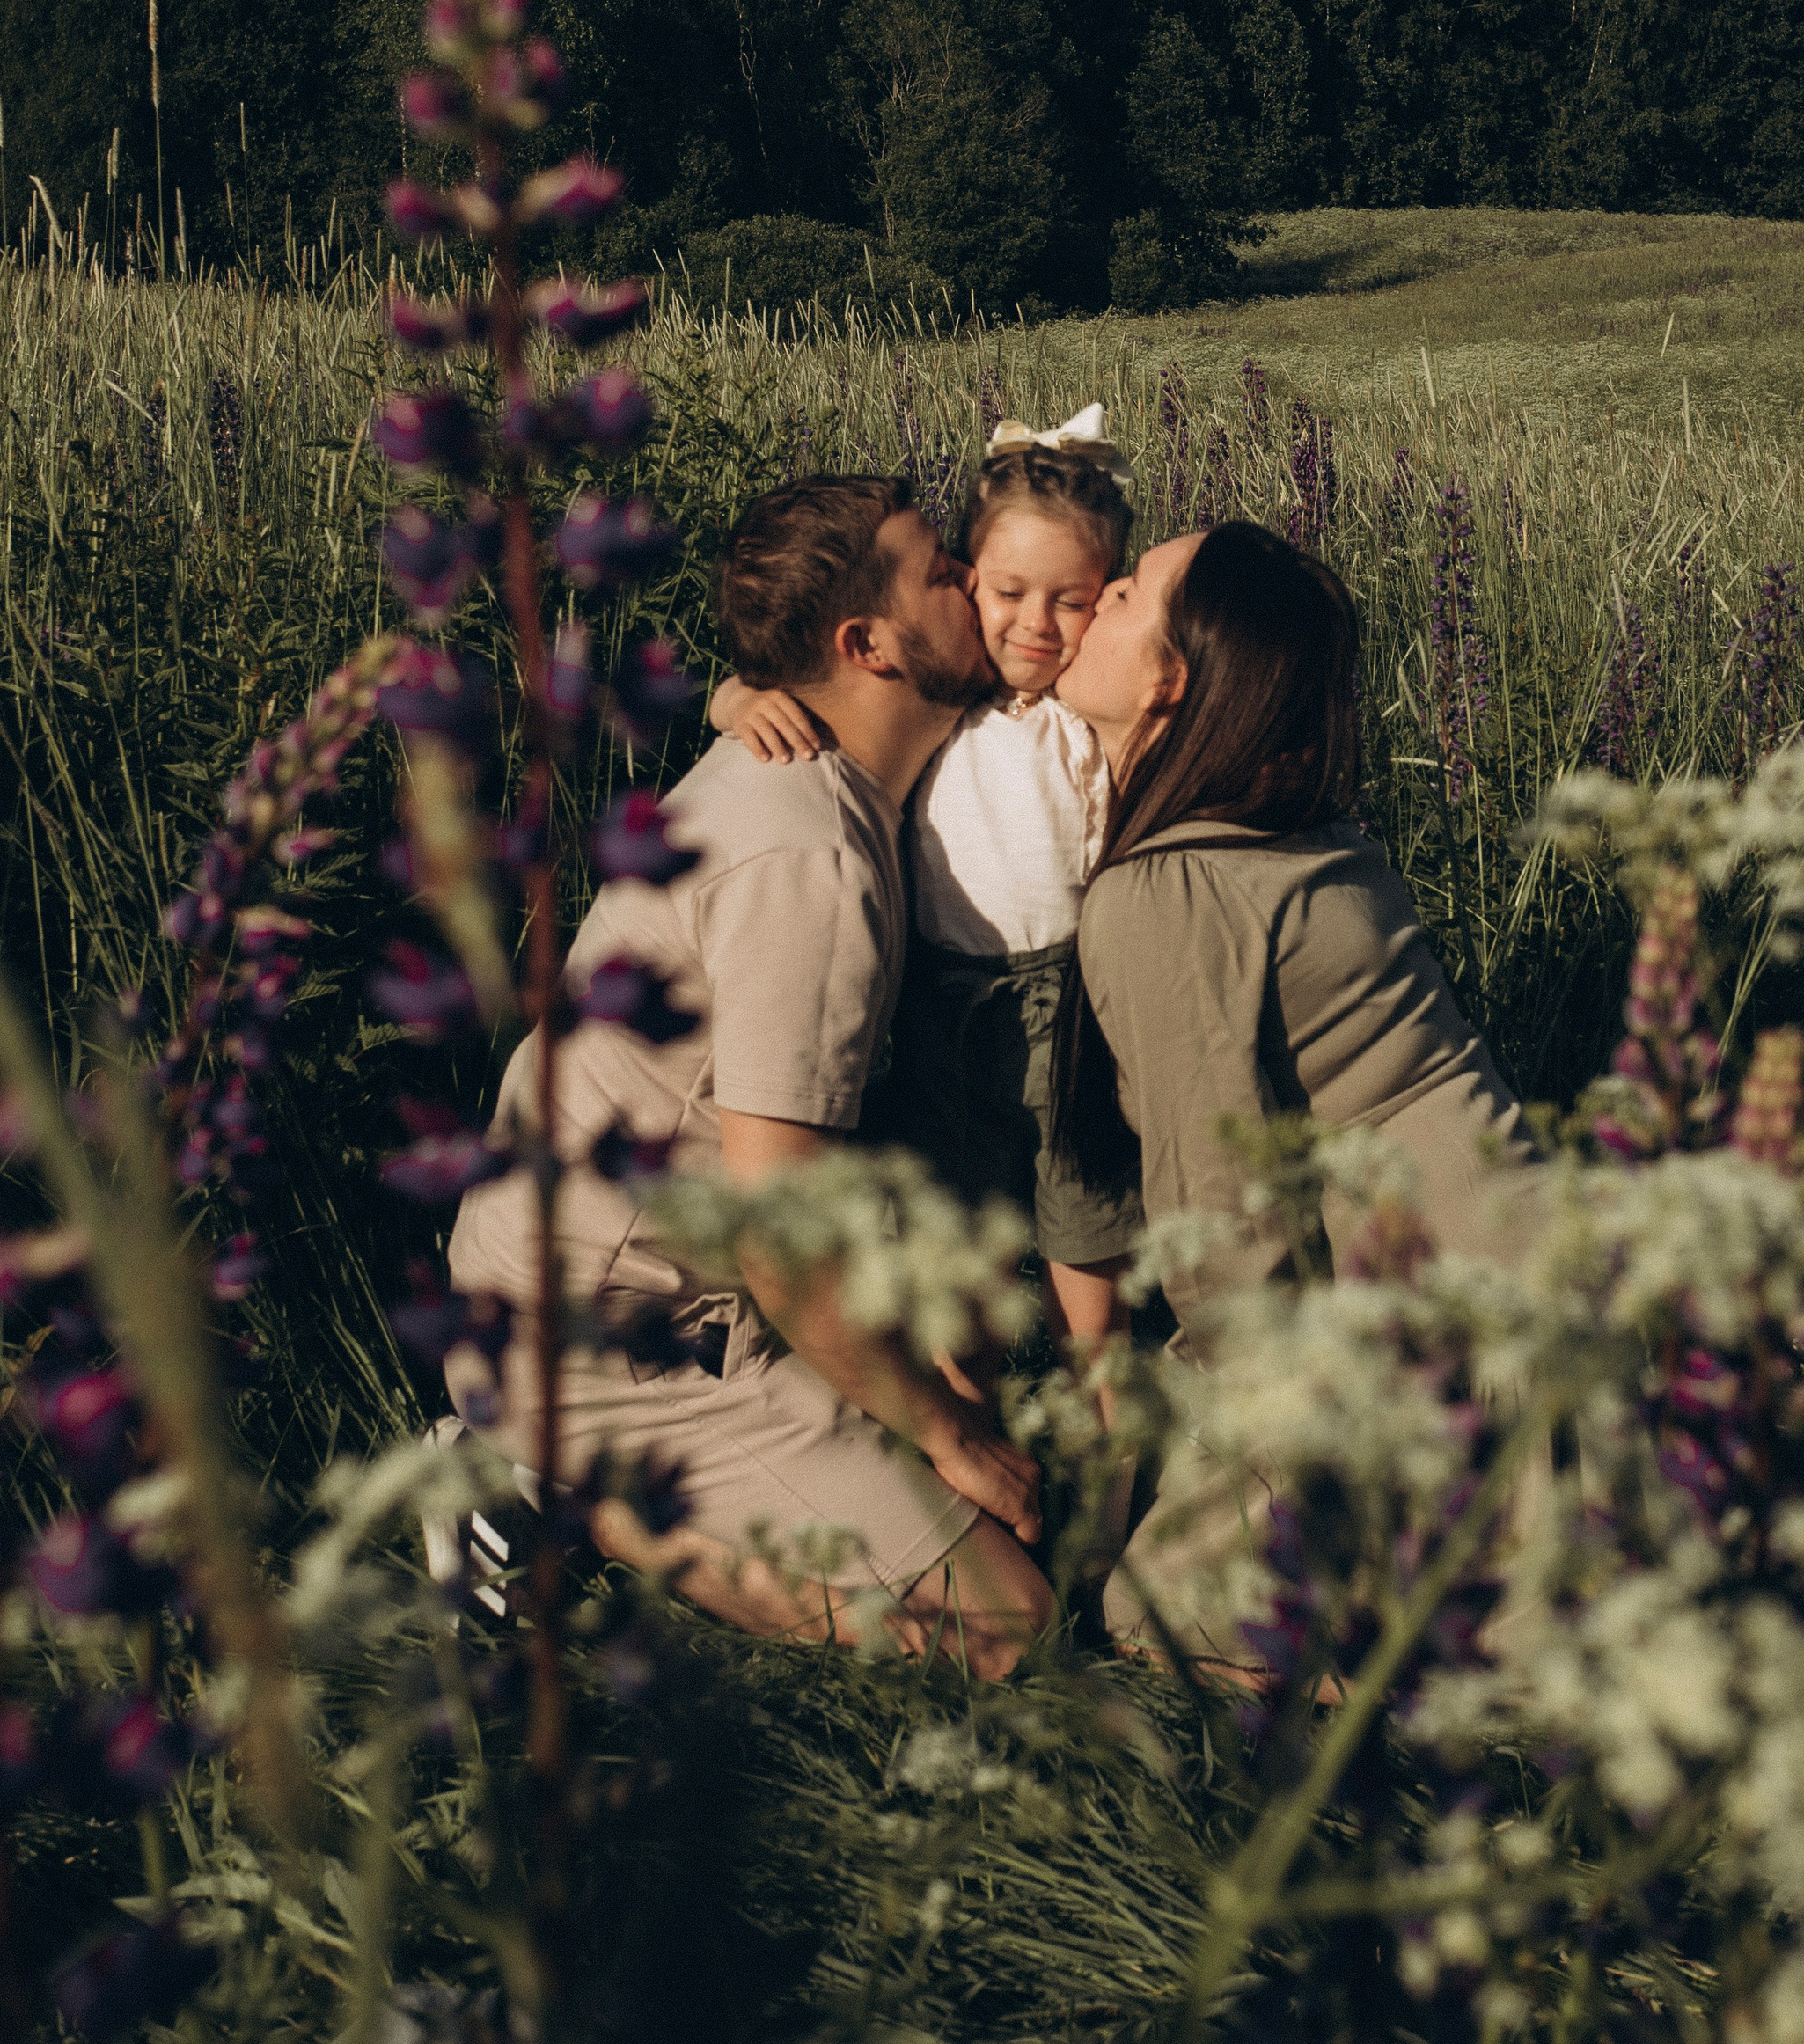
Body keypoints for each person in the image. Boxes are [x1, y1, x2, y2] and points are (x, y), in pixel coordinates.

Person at [445, 476, 1054, 1675]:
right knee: (1011, 1628)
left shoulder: (826, 768)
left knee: (993, 1514)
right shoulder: (809, 857)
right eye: (942, 570)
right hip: (615, 1337)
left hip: (657, 1289)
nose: (974, 581)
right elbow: (782, 1237)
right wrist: (945, 1430)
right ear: (867, 644)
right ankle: (543, 1487)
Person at [1051, 518, 1534, 1649]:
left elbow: (1223, 1224)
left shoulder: (1170, 893)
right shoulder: (1301, 832)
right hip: (1521, 1299)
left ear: (1169, 685)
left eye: (1125, 593)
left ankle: (1418, 1670)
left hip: (1434, 1358)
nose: (1093, 594)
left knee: (1153, 1625)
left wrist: (1271, 1468)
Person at [714, 406, 1144, 1388]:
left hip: (1075, 995)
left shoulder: (1084, 708)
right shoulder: (949, 691)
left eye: (1071, 601)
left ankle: (1106, 1418)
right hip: (941, 1002)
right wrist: (735, 699)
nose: (1035, 624)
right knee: (959, 1245)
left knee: (1086, 1234)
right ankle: (972, 1417)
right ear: (967, 578)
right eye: (1003, 589)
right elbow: (802, 688)